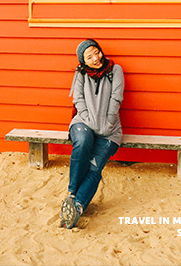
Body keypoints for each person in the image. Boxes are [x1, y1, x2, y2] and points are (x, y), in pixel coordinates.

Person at [60, 39, 124, 229]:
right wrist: (90, 121)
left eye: (97, 52)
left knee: (94, 167)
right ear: (83, 62)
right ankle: (72, 194)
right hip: (83, 122)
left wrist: (109, 121)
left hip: (110, 129)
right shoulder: (80, 74)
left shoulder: (115, 70)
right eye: (89, 57)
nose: (96, 58)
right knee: (82, 142)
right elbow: (78, 100)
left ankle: (76, 207)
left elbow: (116, 98)